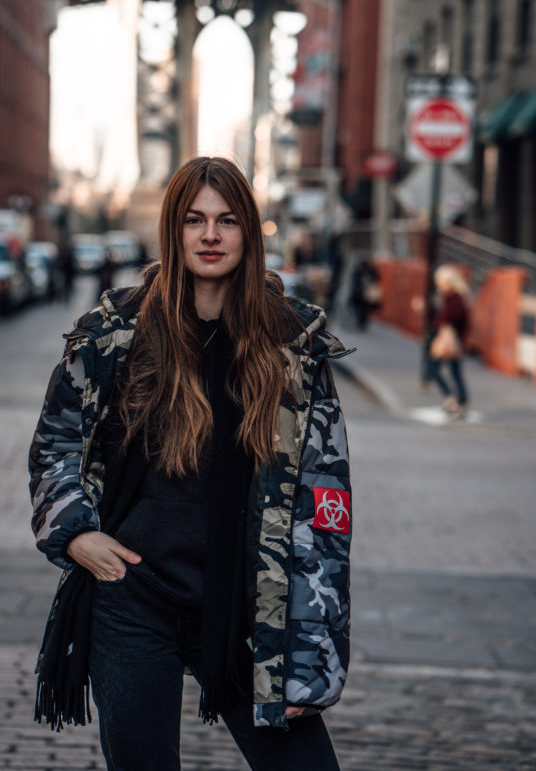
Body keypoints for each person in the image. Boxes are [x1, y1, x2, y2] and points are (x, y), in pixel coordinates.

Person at [29, 156, 353, 771]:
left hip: (248, 606)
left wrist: (310, 663)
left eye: (228, 221)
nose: (210, 235)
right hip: (132, 601)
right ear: (173, 230)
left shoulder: (292, 347)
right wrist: (75, 533)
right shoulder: (113, 334)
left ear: (249, 234)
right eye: (195, 220)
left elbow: (325, 509)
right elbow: (56, 442)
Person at [429, 264, 471, 418]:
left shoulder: (455, 299)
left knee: (436, 368)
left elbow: (447, 318)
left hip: (452, 341)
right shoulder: (451, 297)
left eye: (441, 282)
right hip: (453, 340)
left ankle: (455, 400)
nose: (439, 286)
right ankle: (458, 402)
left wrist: (440, 322)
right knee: (454, 372)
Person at [349, 258, 381, 330]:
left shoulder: (371, 271)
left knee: (364, 309)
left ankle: (362, 322)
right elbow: (354, 282)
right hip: (359, 294)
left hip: (367, 294)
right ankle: (360, 322)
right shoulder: (358, 272)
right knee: (360, 308)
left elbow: (376, 279)